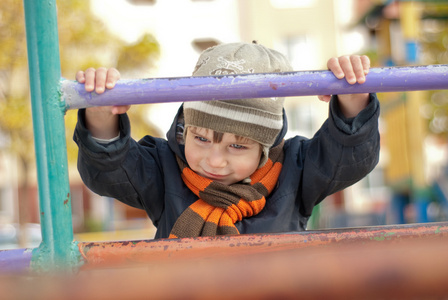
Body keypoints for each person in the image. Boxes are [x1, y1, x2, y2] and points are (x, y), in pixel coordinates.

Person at [74, 42, 380, 239]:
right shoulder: (165, 167)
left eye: (237, 146)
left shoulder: (294, 170)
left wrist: (353, 99)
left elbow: (345, 158)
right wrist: (101, 115)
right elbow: (112, 170)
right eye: (201, 138)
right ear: (186, 129)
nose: (214, 160)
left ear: (265, 145)